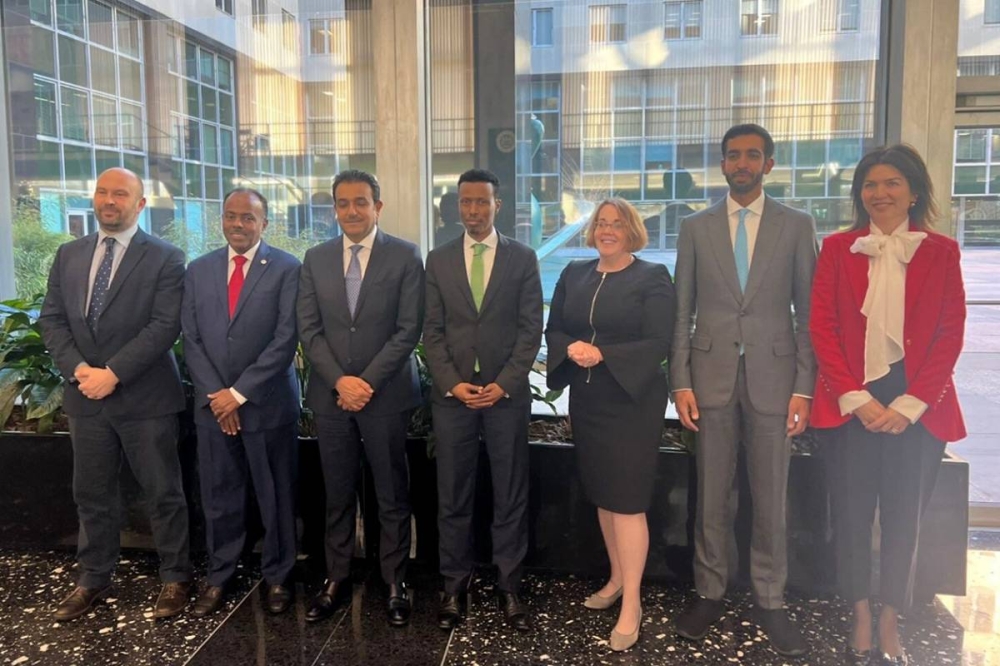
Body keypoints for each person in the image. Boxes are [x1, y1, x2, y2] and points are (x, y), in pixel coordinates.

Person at [809, 144, 966, 666]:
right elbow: (822, 327)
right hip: (850, 401)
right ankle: (858, 612)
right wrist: (855, 399)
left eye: (892, 183)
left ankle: (892, 618)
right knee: (851, 516)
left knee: (904, 519)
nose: (880, 193)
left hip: (917, 406)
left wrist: (911, 404)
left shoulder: (942, 251)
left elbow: (950, 333)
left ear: (913, 191)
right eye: (870, 184)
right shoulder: (838, 248)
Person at [669, 124, 817, 657]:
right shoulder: (695, 227)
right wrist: (680, 380)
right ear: (722, 164)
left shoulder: (797, 225)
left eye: (753, 155)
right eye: (733, 155)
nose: (742, 163)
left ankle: (771, 599)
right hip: (709, 378)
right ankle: (709, 591)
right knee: (711, 494)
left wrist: (804, 387)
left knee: (771, 495)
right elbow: (682, 311)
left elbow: (808, 314)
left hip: (775, 381)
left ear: (768, 164)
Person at [39, 167, 192, 621]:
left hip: (146, 399)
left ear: (140, 204)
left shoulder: (166, 257)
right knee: (91, 494)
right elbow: (52, 319)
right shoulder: (68, 254)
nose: (109, 200)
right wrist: (80, 370)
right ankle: (92, 578)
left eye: (120, 194)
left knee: (163, 492)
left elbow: (165, 325)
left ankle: (175, 576)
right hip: (85, 395)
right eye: (102, 192)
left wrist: (115, 373)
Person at [545, 198, 675, 652]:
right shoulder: (573, 273)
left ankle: (632, 603)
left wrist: (603, 353)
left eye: (617, 224)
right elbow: (554, 329)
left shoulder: (652, 277)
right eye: (601, 222)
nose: (607, 230)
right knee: (603, 495)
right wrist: (570, 348)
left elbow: (659, 341)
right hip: (588, 400)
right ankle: (617, 579)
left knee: (628, 501)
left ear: (631, 230)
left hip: (632, 403)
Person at [296, 169, 425, 627]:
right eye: (343, 203)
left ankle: (394, 581)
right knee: (337, 492)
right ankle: (336, 577)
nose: (352, 211)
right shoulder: (315, 258)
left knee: (391, 491)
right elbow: (309, 329)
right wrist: (340, 382)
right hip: (331, 397)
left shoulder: (405, 255)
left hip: (385, 394)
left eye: (361, 202)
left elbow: (408, 329)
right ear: (334, 209)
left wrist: (365, 382)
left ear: (378, 207)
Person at [423, 169, 543, 633]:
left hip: (504, 396)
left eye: (481, 202)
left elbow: (531, 329)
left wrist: (506, 382)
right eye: (465, 202)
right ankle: (454, 586)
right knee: (453, 494)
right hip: (453, 397)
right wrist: (452, 383)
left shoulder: (522, 258)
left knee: (510, 494)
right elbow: (432, 331)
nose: (473, 210)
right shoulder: (438, 259)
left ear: (498, 205)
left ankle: (509, 586)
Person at [181, 188, 301, 617]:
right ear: (222, 220)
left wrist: (238, 394)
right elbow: (191, 337)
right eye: (231, 216)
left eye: (248, 217)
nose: (238, 224)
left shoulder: (287, 268)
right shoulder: (198, 269)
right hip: (214, 407)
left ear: (264, 223)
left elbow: (286, 338)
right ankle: (220, 575)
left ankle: (279, 575)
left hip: (267, 404)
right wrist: (219, 396)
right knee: (219, 495)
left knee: (276, 495)